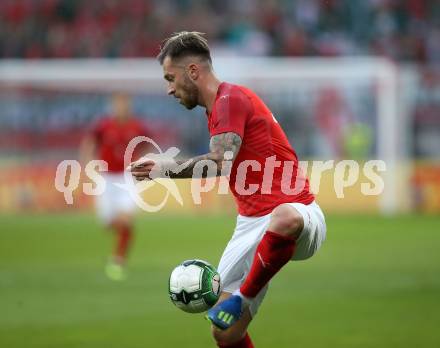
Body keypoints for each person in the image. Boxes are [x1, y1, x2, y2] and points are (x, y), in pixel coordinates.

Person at [129, 32, 326, 347]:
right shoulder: (217, 109)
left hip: (300, 214)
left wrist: (163, 169)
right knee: (225, 331)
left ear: (193, 71)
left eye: (170, 78)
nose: (169, 88)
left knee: (285, 216)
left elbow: (220, 162)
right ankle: (236, 305)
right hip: (250, 225)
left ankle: (243, 296)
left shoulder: (230, 99)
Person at [80, 93, 150, 281]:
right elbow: (90, 141)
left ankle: (118, 261)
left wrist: (143, 163)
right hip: (106, 178)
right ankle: (120, 244)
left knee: (126, 220)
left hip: (126, 177)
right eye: (118, 105)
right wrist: (87, 161)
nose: (121, 108)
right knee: (107, 223)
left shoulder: (137, 126)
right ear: (112, 106)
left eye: (124, 104)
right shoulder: (104, 125)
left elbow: (147, 145)